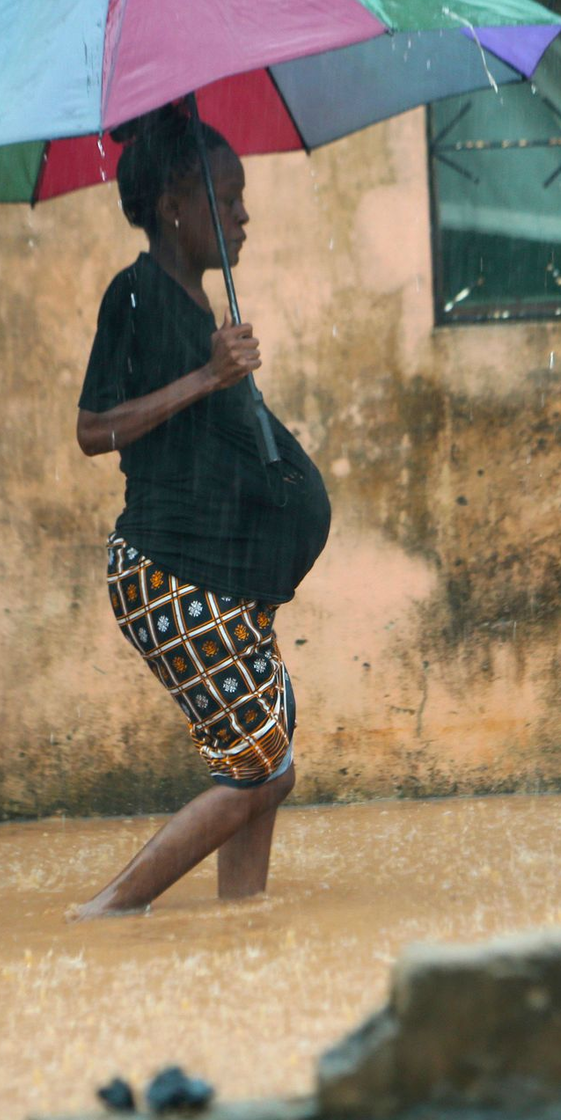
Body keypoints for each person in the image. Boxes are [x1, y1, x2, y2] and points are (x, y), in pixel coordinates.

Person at [71, 106, 330, 919]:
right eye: (226, 199)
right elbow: (92, 429)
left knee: (270, 761)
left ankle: (240, 917)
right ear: (176, 207)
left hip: (224, 573)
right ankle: (108, 912)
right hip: (170, 571)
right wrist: (207, 379)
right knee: (257, 765)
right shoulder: (137, 296)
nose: (243, 215)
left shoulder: (198, 310)